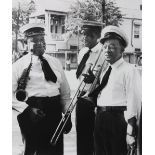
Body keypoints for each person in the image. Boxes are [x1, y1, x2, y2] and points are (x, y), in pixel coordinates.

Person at [12, 23, 72, 155]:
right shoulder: (17, 66)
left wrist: (67, 115)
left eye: (42, 40)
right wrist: (27, 110)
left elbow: (65, 94)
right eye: (35, 41)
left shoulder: (55, 62)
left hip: (54, 113)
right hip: (31, 114)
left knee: (55, 151)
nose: (40, 44)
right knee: (33, 151)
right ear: (26, 43)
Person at [89, 25, 142, 155]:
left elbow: (133, 100)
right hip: (101, 118)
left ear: (122, 49)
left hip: (118, 120)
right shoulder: (106, 69)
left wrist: (130, 130)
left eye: (112, 47)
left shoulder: (129, 70)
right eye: (105, 47)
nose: (107, 50)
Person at [75, 21, 105, 155]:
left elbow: (106, 78)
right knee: (81, 133)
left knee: (94, 135)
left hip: (95, 96)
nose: (84, 38)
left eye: (88, 35)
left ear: (96, 36)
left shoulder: (103, 52)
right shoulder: (82, 52)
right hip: (81, 96)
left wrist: (95, 80)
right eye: (83, 35)